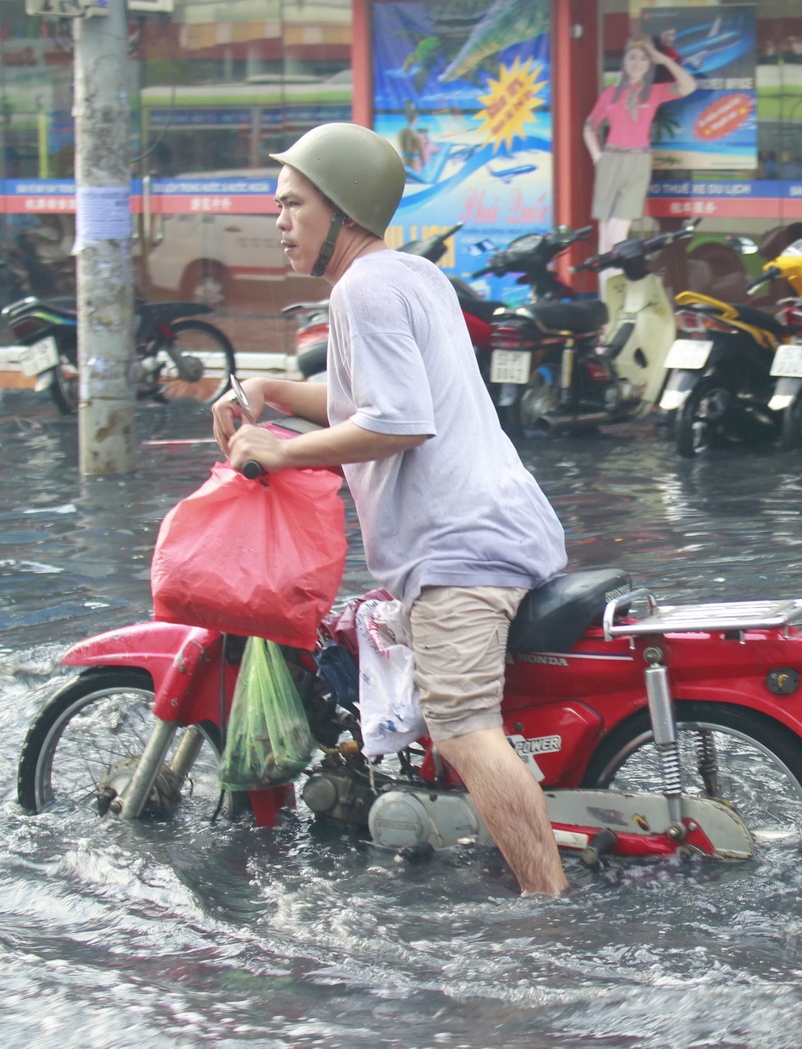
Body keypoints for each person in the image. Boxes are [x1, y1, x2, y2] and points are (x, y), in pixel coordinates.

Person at [211, 123, 570, 896]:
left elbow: (400, 421)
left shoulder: (360, 289)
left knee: (464, 727)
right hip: (505, 523)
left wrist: (277, 451)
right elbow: (359, 404)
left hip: (460, 548)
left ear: (339, 209)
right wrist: (272, 392)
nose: (279, 221)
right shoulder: (410, 275)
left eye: (291, 204)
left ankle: (549, 905)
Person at [583, 37, 697, 254]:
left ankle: (613, 280)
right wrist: (597, 157)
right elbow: (589, 127)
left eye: (644, 58)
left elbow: (689, 86)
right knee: (605, 228)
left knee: (620, 227)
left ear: (650, 63)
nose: (637, 63)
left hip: (639, 161)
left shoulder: (655, 92)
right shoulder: (609, 94)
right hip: (611, 159)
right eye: (632, 57)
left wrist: (663, 59)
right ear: (624, 60)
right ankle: (607, 284)